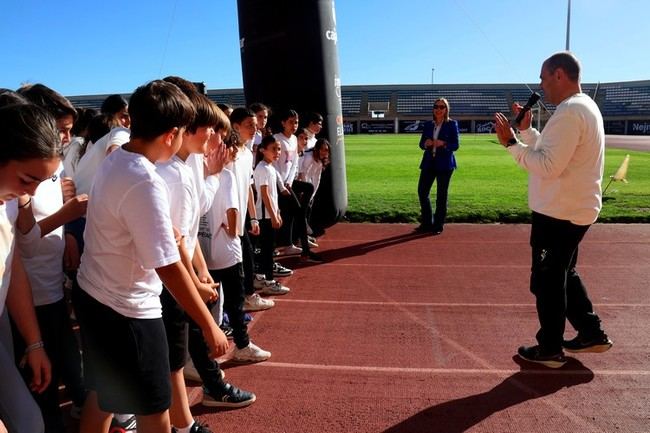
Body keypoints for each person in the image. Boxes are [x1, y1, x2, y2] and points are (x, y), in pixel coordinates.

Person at [72, 80, 228, 433]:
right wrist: (208, 324)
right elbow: (168, 266)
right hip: (127, 310)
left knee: (103, 394)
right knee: (155, 409)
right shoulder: (145, 179)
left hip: (94, 295)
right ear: (172, 134)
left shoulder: (116, 160)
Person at [494, 51, 613, 369]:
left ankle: (549, 348)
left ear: (559, 74)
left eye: (544, 78)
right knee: (563, 272)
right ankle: (591, 332)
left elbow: (547, 164)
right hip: (574, 208)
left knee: (546, 280)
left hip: (559, 211)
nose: (541, 85)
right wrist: (530, 133)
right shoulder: (582, 107)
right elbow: (553, 149)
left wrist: (510, 143)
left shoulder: (570, 112)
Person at [0, 101, 59, 433]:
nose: (31, 194)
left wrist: (34, 343)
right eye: (27, 179)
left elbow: (11, 265)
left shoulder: (10, 199)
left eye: (42, 182)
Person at [416, 98, 459, 235]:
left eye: (442, 107)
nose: (438, 109)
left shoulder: (452, 124)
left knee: (441, 196)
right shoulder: (428, 124)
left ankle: (438, 225)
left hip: (445, 165)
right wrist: (426, 143)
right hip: (429, 162)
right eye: (436, 106)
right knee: (422, 192)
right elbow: (421, 143)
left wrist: (444, 144)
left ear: (446, 109)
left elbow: (455, 145)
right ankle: (427, 222)